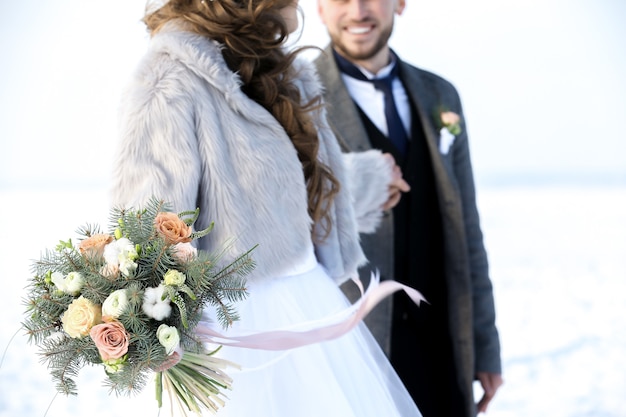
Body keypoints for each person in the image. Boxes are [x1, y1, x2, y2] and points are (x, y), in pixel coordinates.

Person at [110, 0, 421, 416]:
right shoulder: (170, 79)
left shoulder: (282, 71)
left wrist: (371, 179)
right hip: (234, 337)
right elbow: (145, 237)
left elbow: (285, 196)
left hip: (311, 312)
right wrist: (160, 338)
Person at [314, 0, 503, 416]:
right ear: (320, 8)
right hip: (354, 349)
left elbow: (466, 225)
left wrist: (485, 345)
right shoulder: (295, 96)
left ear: (399, 3)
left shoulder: (440, 94)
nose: (359, 11)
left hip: (442, 347)